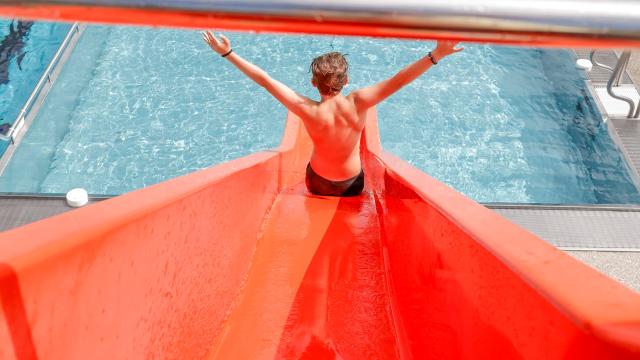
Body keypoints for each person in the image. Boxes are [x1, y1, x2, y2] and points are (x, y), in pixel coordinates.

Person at [203, 31, 463, 196]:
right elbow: (399, 81)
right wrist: (435, 55)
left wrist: (228, 52)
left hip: (318, 182)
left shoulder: (306, 109)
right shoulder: (359, 103)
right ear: (346, 80)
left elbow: (265, 80)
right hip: (352, 185)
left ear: (314, 84)